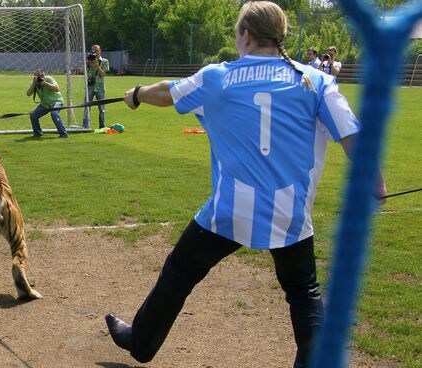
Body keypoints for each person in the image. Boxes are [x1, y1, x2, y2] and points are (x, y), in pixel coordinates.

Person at [104, 2, 386, 368]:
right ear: (280, 36)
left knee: (180, 271)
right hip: (290, 214)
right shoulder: (314, 80)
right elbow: (354, 137)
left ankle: (141, 341)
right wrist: (375, 182)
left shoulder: (216, 77)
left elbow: (165, 93)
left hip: (228, 213)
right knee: (303, 293)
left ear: (247, 35)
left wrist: (137, 94)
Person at [26, 69, 69, 138]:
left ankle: (63, 134)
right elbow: (28, 93)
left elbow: (57, 89)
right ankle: (37, 133)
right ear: (35, 76)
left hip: (56, 101)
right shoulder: (34, 83)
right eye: (38, 76)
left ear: (44, 74)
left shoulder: (48, 79)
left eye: (42, 75)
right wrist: (34, 84)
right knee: (33, 115)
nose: (41, 77)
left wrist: (45, 84)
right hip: (45, 104)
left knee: (54, 113)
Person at [82, 44, 110, 129]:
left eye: (96, 50)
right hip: (90, 87)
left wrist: (96, 64)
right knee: (87, 107)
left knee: (101, 109)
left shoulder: (105, 61)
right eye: (93, 51)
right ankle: (85, 126)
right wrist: (87, 62)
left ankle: (102, 126)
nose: (95, 52)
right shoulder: (88, 61)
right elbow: (82, 71)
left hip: (100, 88)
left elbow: (103, 73)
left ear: (100, 51)